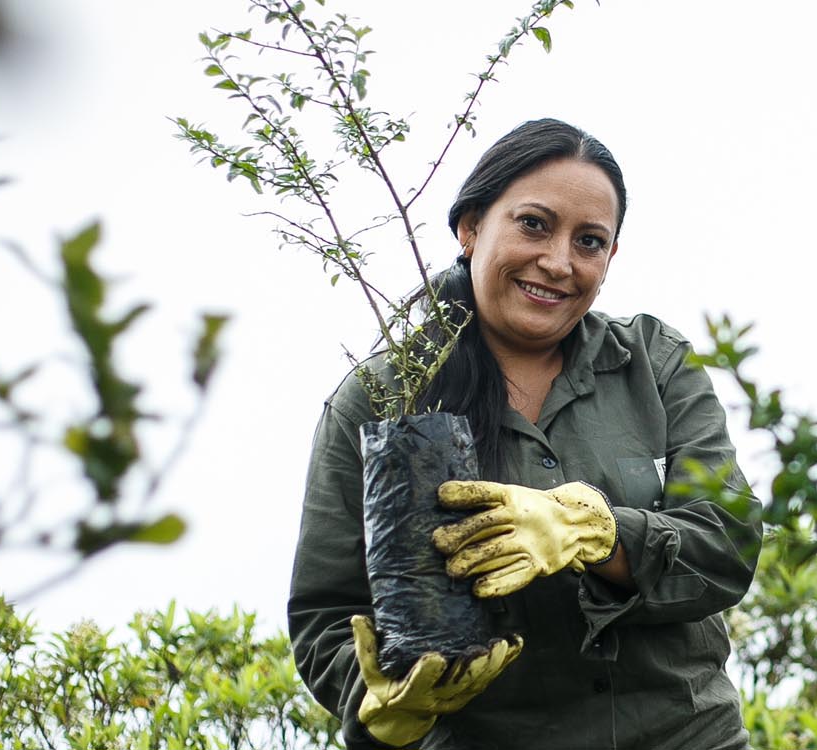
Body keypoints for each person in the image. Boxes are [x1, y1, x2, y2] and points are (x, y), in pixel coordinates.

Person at [288, 118, 760, 750]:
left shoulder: (658, 363)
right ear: (470, 226)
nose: (558, 262)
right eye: (534, 224)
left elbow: (727, 545)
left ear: (610, 257)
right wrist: (384, 705)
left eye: (589, 241)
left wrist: (597, 531)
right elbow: (325, 615)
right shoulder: (383, 399)